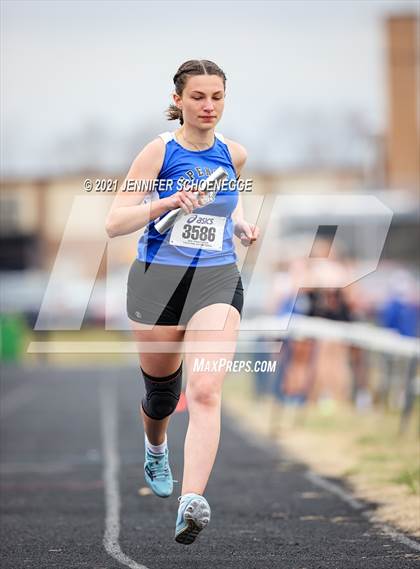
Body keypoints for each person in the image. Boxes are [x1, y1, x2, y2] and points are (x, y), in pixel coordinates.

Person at [105, 59, 260, 545]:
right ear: (178, 100)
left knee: (207, 389)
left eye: (216, 96)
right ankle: (156, 448)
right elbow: (114, 222)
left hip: (216, 279)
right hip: (157, 284)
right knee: (163, 397)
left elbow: (231, 201)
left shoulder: (233, 154)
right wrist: (167, 203)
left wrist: (241, 225)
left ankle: (192, 501)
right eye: (198, 97)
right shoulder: (157, 153)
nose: (208, 106)